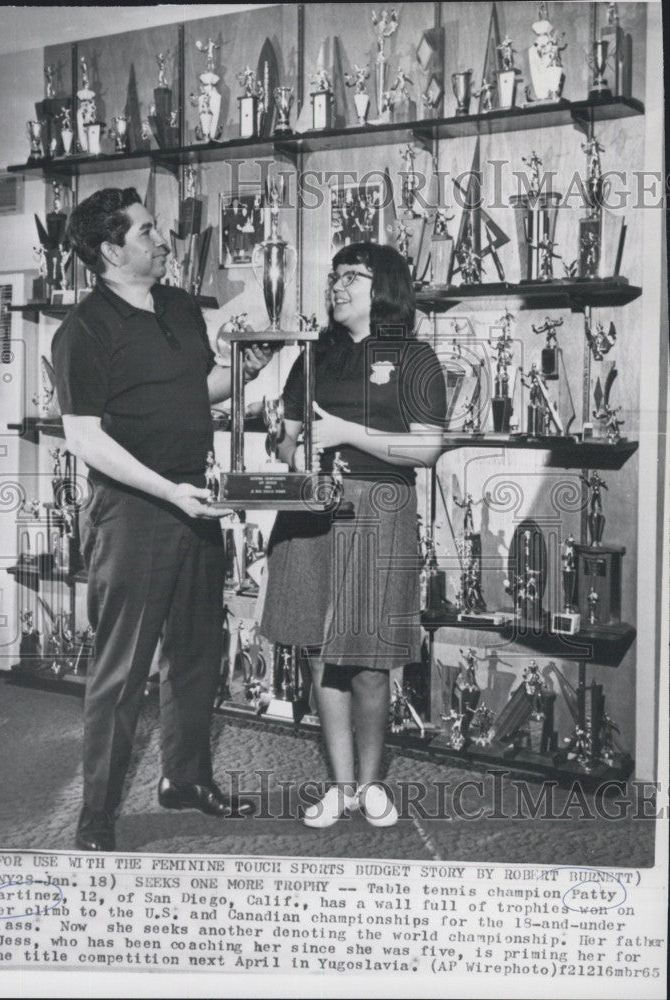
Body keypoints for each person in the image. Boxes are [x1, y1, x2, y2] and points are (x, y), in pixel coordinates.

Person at [51, 187, 272, 851]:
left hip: (196, 501)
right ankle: (97, 813)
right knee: (122, 670)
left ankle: (185, 778)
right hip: (134, 510)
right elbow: (86, 437)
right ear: (112, 250)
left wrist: (244, 369)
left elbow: (192, 391)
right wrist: (168, 492)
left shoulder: (178, 304)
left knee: (198, 654)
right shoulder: (82, 329)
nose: (162, 239)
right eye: (147, 231)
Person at [260, 243, 446, 828]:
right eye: (334, 275)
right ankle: (341, 787)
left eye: (352, 276)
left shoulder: (416, 358)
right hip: (313, 510)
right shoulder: (314, 357)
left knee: (367, 661)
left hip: (379, 509)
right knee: (321, 653)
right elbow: (287, 441)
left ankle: (371, 785)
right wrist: (293, 450)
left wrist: (345, 431)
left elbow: (427, 446)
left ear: (384, 286)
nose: (337, 285)